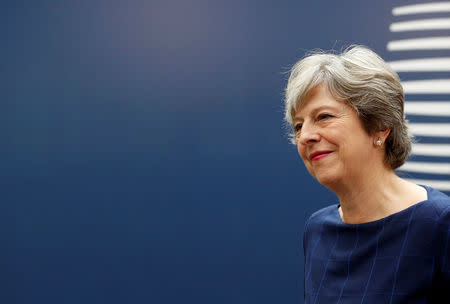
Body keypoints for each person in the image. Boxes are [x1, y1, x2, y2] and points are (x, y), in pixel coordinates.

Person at [283, 45, 450, 303]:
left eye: (324, 116)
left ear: (380, 127)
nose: (305, 136)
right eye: (298, 125)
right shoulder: (317, 229)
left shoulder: (439, 223)